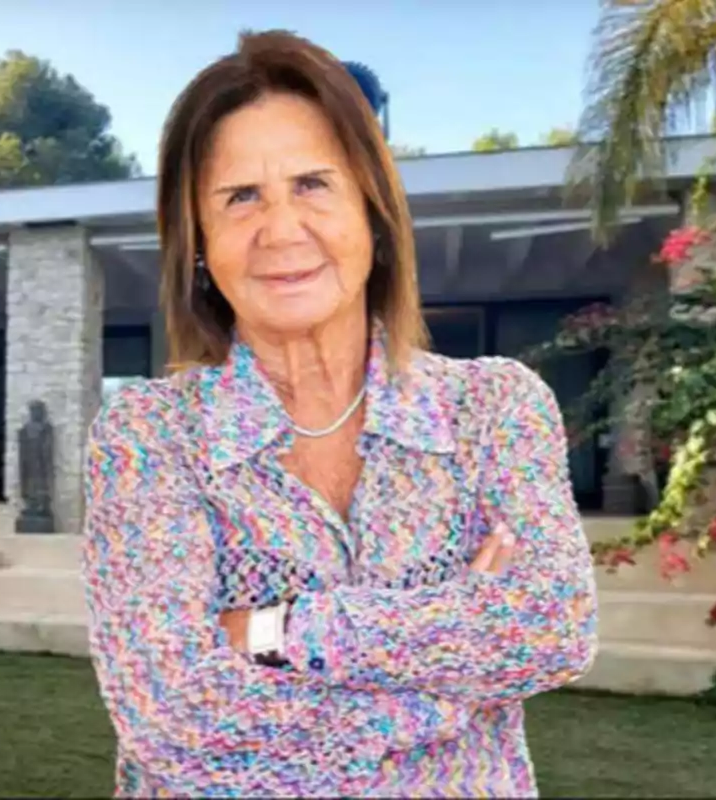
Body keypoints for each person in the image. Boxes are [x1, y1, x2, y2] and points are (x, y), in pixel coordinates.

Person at [81, 29, 599, 799]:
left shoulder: (494, 407)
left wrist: (278, 629)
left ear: (374, 213)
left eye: (313, 184)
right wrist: (452, 671)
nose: (281, 230)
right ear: (199, 243)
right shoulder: (149, 436)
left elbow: (551, 628)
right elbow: (174, 721)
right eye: (240, 196)